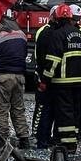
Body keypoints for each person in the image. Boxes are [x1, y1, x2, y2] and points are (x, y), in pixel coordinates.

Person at [42, 4, 81, 151]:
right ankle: (74, 138)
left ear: (58, 18)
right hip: (78, 80)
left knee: (64, 112)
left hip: (62, 81)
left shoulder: (58, 34)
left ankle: (68, 143)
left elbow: (53, 60)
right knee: (75, 110)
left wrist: (45, 79)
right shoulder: (80, 34)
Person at [0, 15, 31, 148]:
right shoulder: (22, 35)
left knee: (1, 110)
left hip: (3, 76)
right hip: (19, 77)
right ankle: (24, 139)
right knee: (18, 109)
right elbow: (24, 54)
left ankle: (1, 140)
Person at [31, 9, 59, 148]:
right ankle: (41, 138)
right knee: (45, 109)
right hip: (50, 79)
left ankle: (42, 138)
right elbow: (42, 57)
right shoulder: (50, 33)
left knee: (45, 109)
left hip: (46, 78)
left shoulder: (46, 32)